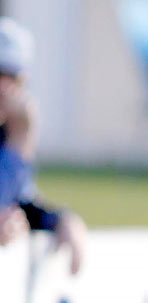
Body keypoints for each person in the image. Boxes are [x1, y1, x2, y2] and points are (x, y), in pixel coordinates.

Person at [0, 18, 86, 272]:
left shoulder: (11, 131)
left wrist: (60, 220)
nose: (4, 88)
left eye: (12, 78)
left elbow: (18, 202)